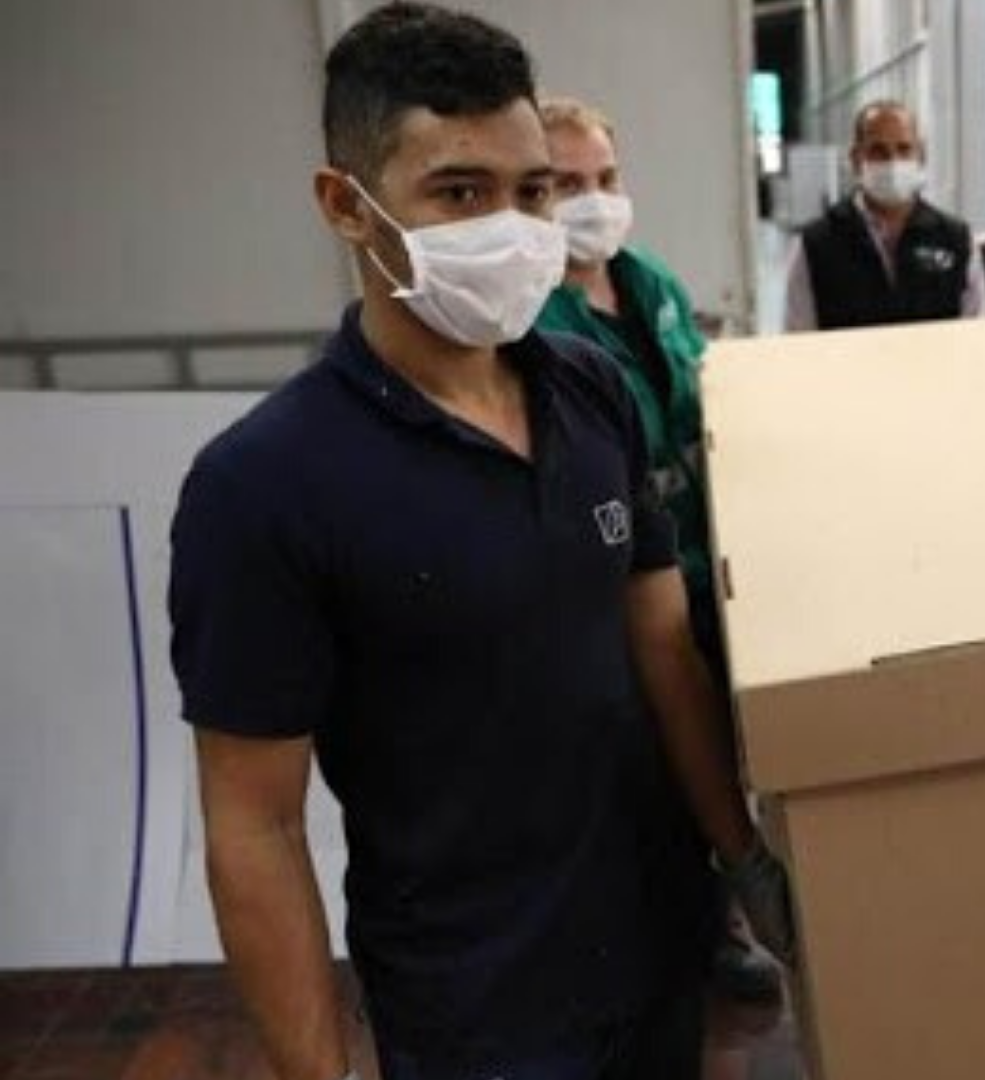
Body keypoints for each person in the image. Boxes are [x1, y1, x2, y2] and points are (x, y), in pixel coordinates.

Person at [168, 6, 790, 1080]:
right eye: (460, 193)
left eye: (532, 191)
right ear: (346, 206)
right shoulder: (264, 485)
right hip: (479, 1010)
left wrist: (743, 859)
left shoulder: (591, 392)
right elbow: (254, 825)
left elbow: (661, 647)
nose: (511, 227)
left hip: (658, 948)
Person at [531, 94, 787, 1067]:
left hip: (702, 567)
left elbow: (700, 399)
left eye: (605, 178)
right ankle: (683, 939)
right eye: (566, 183)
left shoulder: (650, 283)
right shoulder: (534, 322)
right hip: (620, 592)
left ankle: (719, 917)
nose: (593, 200)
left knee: (719, 748)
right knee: (654, 776)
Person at [783, 99, 985, 331]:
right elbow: (799, 336)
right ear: (856, 159)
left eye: (904, 149)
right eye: (878, 151)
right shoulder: (815, 245)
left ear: (921, 156)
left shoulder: (956, 240)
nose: (893, 162)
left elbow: (978, 332)